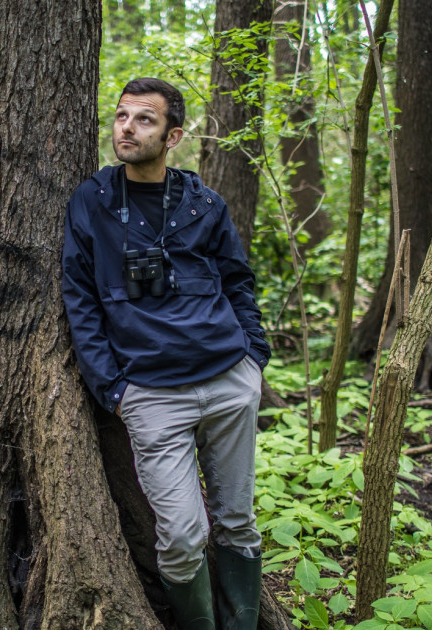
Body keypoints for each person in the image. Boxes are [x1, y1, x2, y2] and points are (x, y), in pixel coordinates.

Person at [61, 77, 269, 630]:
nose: (127, 128)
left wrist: (253, 361)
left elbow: (238, 282)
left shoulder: (203, 202)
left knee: (238, 523)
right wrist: (113, 386)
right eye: (122, 116)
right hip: (151, 393)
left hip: (228, 380)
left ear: (172, 135)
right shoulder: (95, 200)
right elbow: (78, 296)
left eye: (144, 119)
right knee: (181, 536)